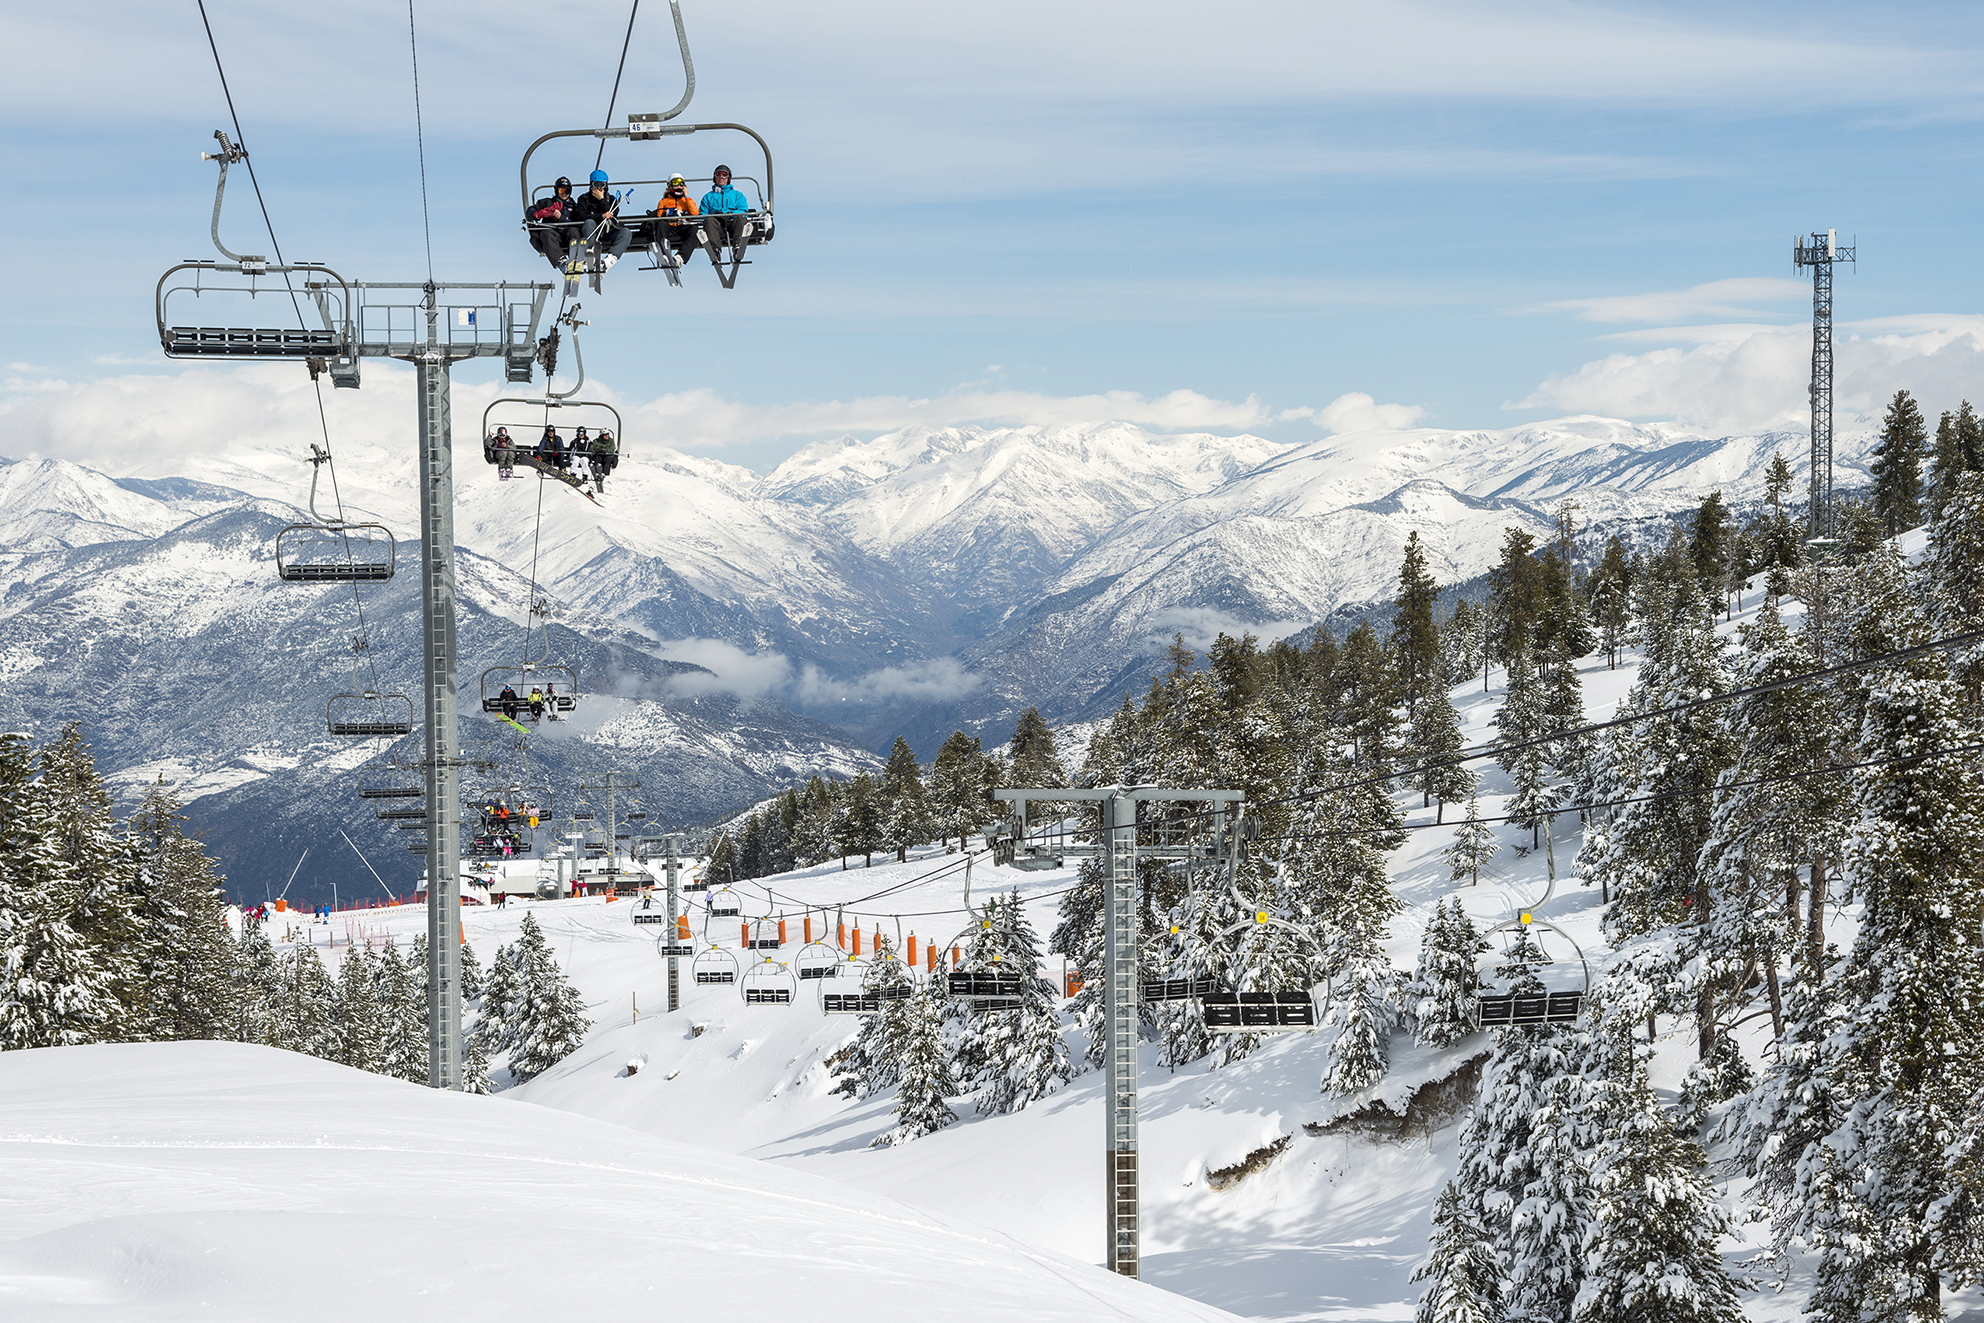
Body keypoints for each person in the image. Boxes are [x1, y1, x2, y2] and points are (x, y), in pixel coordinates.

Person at [570, 169, 634, 268]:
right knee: (589, 222)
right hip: (591, 232)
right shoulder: (583, 199)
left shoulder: (611, 200)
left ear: (606, 185)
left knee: (626, 232)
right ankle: (589, 252)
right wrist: (601, 216)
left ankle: (609, 261)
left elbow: (613, 214)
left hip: (607, 231)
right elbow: (580, 216)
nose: (599, 188)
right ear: (591, 185)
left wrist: (602, 200)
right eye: (596, 185)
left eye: (602, 185)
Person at [698, 164, 752, 262]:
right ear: (714, 177)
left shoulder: (737, 195)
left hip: (732, 223)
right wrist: (713, 215)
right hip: (717, 225)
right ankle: (715, 251)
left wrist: (731, 212)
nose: (721, 177)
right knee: (709, 221)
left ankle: (738, 247)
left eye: (724, 175)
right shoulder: (708, 197)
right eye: (718, 174)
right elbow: (703, 215)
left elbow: (743, 210)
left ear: (728, 178)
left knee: (741, 218)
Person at [644, 174, 700, 266]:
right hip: (670, 227)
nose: (679, 186)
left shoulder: (687, 201)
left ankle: (680, 257)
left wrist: (687, 197)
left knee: (694, 230)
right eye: (675, 183)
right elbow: (659, 217)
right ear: (670, 186)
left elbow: (695, 213)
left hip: (682, 227)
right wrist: (668, 214)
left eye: (681, 183)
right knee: (661, 225)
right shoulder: (664, 201)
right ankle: (664, 255)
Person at [527, 177, 578, 268]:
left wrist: (561, 218)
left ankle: (577, 258)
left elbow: (576, 221)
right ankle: (561, 262)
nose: (564, 194)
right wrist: (537, 214)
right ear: (556, 191)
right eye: (561, 190)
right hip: (553, 235)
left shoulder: (573, 206)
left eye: (567, 191)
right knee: (547, 234)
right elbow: (530, 210)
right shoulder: (547, 202)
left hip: (567, 234)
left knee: (574, 231)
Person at [589, 429, 618, 493]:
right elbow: (591, 448)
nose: (606, 436)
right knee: (596, 457)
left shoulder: (611, 441)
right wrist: (597, 450)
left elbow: (612, 449)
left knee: (609, 458)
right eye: (605, 435)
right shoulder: (596, 441)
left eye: (607, 434)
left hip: (606, 456)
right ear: (601, 435)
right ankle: (597, 470)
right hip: (599, 456)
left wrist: (605, 451)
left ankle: (604, 473)